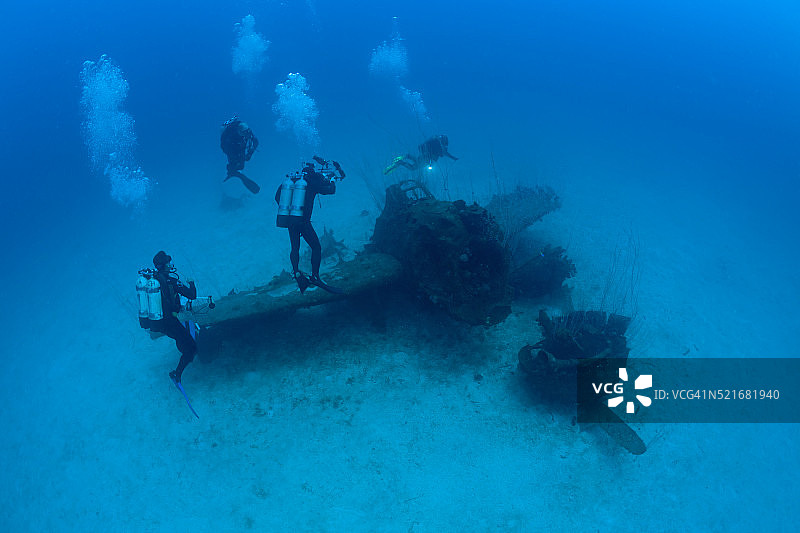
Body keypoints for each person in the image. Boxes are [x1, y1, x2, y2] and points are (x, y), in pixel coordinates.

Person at [275, 158, 344, 292]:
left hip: (290, 220)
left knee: (295, 248)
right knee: (316, 247)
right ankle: (315, 276)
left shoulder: (292, 181)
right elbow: (330, 190)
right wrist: (333, 181)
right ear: (313, 173)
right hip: (303, 223)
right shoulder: (313, 181)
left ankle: (297, 273)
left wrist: (289, 209)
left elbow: (277, 197)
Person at [149, 251, 198, 384]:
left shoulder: (153, 281)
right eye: (168, 262)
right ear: (165, 265)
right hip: (170, 322)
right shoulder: (171, 281)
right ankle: (177, 375)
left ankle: (183, 348)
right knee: (192, 348)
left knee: (180, 337)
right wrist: (192, 282)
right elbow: (192, 295)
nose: (170, 264)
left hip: (159, 323)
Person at [220, 116, 261, 194]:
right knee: (236, 165)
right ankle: (232, 172)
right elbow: (225, 149)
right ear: (239, 132)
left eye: (247, 132)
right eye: (244, 133)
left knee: (241, 166)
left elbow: (255, 141)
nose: (246, 134)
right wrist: (235, 158)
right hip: (233, 147)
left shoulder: (247, 132)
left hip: (239, 144)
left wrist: (250, 153)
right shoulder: (230, 138)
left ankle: (235, 172)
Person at [383, 135, 458, 174]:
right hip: (427, 160)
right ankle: (401, 162)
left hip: (424, 157)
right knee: (413, 168)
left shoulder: (437, 145)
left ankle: (407, 156)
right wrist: (454, 158)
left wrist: (453, 158)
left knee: (416, 161)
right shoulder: (440, 148)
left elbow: (445, 154)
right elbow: (446, 154)